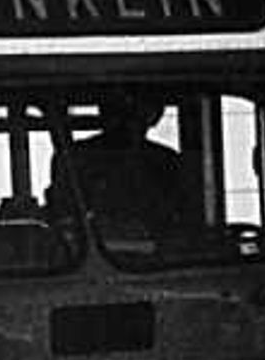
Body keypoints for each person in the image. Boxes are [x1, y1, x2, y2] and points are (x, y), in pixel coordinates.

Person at [45, 92, 201, 245]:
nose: (128, 123)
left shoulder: (166, 161)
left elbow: (181, 216)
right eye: (122, 112)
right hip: (90, 249)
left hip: (155, 253)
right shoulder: (75, 157)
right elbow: (64, 213)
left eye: (135, 113)